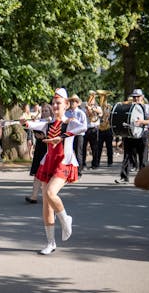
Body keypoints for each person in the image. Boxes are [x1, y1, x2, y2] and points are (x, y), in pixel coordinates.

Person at [20, 88, 86, 255]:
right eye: (54, 103)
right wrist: (23, 121)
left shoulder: (70, 122)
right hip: (48, 163)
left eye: (59, 103)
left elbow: (84, 127)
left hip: (64, 163)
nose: (55, 105)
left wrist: (62, 137)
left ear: (66, 105)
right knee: (47, 206)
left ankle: (65, 218)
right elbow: (30, 125)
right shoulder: (47, 124)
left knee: (50, 192)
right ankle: (50, 243)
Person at [115, 89, 149, 184]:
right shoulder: (129, 106)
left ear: (142, 97)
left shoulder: (146, 107)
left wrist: (142, 122)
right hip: (130, 135)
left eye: (138, 96)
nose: (136, 98)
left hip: (142, 134)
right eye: (134, 97)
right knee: (127, 157)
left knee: (143, 158)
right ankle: (124, 177)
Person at [25, 102, 53, 204]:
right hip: (40, 148)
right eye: (43, 111)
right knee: (37, 173)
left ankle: (50, 195)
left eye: (47, 111)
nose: (45, 113)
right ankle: (34, 196)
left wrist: (45, 137)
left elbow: (56, 136)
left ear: (51, 111)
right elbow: (32, 128)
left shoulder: (53, 122)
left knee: (48, 174)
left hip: (49, 148)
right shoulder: (40, 121)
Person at [65, 94, 87, 176]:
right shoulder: (66, 113)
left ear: (78, 103)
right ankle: (68, 171)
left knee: (78, 153)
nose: (72, 103)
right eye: (71, 101)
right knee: (68, 153)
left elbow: (84, 126)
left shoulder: (81, 113)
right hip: (69, 135)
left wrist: (75, 121)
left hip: (78, 135)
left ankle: (79, 171)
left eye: (75, 101)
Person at [82, 91, 102, 169]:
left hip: (94, 129)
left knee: (95, 148)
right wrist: (88, 108)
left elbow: (101, 113)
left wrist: (93, 109)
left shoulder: (98, 107)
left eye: (93, 98)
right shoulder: (84, 107)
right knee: (83, 148)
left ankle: (95, 164)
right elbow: (87, 114)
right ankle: (83, 164)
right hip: (86, 129)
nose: (91, 100)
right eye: (90, 98)